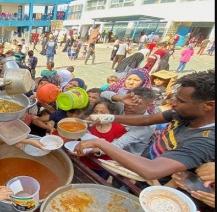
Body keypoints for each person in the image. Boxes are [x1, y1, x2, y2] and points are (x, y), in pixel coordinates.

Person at [73, 70, 215, 186]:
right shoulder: (182, 114)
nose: (172, 104)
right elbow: (146, 119)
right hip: (135, 171)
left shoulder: (203, 141)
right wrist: (106, 117)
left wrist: (100, 143)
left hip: (153, 187)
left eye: (181, 101)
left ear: (208, 106)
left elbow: (151, 170)